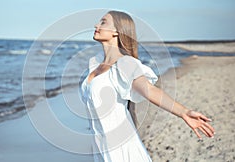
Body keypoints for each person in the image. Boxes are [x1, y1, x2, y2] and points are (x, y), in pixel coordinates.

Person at [80, 10, 215, 162]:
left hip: (120, 148)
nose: (96, 25)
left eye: (103, 22)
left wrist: (184, 112)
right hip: (100, 146)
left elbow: (149, 90)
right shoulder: (95, 63)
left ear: (117, 32)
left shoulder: (125, 63)